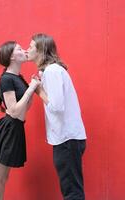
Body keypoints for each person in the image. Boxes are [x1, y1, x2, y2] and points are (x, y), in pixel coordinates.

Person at [27, 33, 87, 200]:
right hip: (67, 139)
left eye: (31, 46)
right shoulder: (51, 71)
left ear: (40, 49)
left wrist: (39, 91)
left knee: (72, 192)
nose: (27, 49)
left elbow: (56, 106)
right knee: (72, 189)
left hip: (67, 140)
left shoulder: (52, 71)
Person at [0, 41, 40, 200]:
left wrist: (32, 88)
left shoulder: (18, 78)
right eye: (19, 49)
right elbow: (13, 110)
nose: (24, 50)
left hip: (15, 129)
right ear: (12, 56)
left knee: (2, 180)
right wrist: (31, 88)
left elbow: (24, 109)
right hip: (6, 131)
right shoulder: (7, 79)